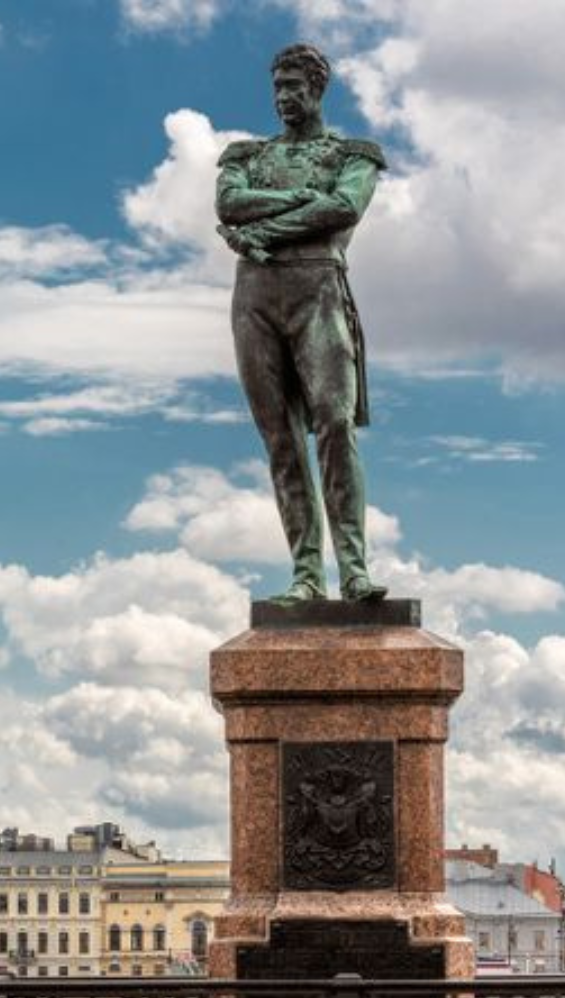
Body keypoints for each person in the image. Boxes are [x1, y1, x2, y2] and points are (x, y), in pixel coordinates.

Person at [216, 43, 387, 603]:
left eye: (294, 85)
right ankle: (308, 575)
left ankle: (355, 570)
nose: (284, 96)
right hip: (256, 296)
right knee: (280, 438)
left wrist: (265, 229)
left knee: (334, 423)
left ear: (318, 88)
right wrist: (298, 203)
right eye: (278, 87)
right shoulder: (245, 155)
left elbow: (343, 208)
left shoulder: (354, 154)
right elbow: (230, 206)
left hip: (317, 289)